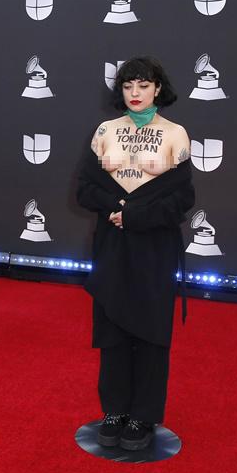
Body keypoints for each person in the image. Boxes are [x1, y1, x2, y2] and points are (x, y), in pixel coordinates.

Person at [77, 56, 194, 452]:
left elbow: (181, 199)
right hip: (112, 242)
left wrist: (136, 216)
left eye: (143, 85)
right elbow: (86, 189)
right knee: (111, 327)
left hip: (154, 247)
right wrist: (118, 210)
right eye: (128, 87)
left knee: (149, 330)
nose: (135, 94)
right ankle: (114, 409)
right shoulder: (105, 131)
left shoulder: (176, 134)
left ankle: (143, 414)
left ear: (157, 88)